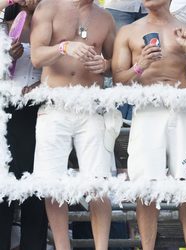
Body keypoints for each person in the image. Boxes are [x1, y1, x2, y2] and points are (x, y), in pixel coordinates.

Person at [112, 0, 186, 249]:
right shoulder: (129, 32)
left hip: (183, 107)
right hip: (147, 110)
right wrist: (140, 65)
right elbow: (118, 80)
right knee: (145, 187)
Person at [30, 0, 116, 250]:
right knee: (52, 183)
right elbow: (36, 56)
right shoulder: (48, 7)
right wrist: (65, 46)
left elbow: (116, 64)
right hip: (55, 105)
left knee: (98, 182)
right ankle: (61, 247)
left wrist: (105, 65)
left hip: (91, 108)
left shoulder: (106, 18)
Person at [0, 1, 48, 250]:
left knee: (34, 185)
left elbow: (60, 65)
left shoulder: (52, 16)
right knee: (3, 185)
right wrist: (7, 54)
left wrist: (41, 86)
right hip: (4, 110)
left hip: (38, 111)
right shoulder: (4, 18)